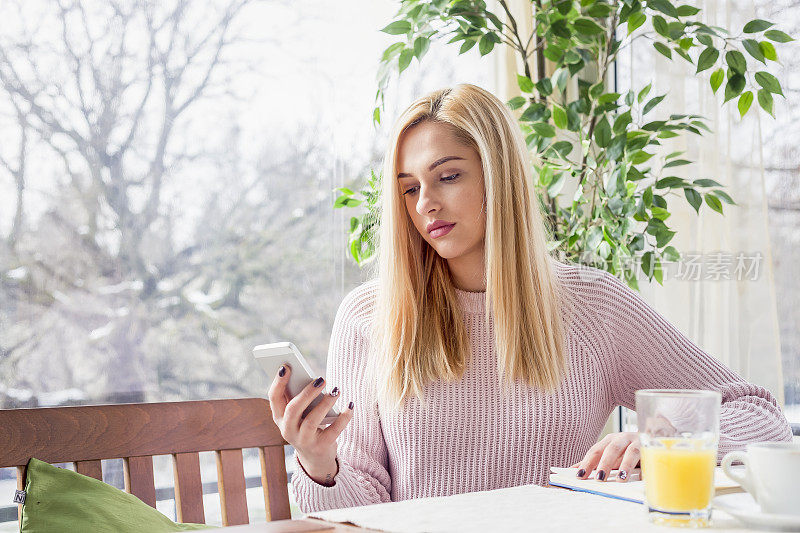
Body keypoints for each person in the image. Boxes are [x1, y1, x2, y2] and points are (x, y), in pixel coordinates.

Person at [268, 84, 793, 513]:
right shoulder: (368, 318)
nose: (426, 203)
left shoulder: (594, 307)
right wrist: (320, 463)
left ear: (498, 179)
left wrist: (665, 440)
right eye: (409, 188)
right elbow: (358, 512)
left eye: (447, 176)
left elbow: (759, 412)